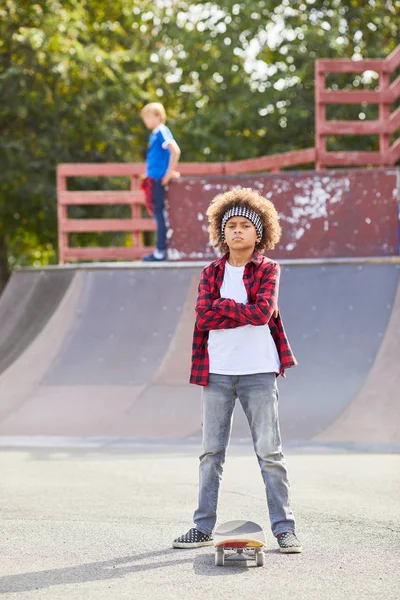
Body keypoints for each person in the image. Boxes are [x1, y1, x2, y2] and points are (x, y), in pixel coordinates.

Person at [172, 187, 302, 553]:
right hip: (216, 373)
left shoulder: (269, 270)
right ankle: (202, 527)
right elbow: (203, 314)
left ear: (258, 233)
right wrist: (236, 310)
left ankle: (284, 529)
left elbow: (262, 313)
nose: (237, 232)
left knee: (269, 452)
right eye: (231, 226)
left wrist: (223, 307)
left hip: (259, 372)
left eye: (246, 225)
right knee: (211, 453)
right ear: (221, 232)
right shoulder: (211, 271)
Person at [140, 102, 181, 261]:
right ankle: (160, 249)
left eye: (147, 117)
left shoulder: (161, 131)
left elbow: (175, 150)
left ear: (158, 116)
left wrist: (169, 173)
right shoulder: (155, 134)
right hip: (154, 178)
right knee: (157, 214)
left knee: (160, 215)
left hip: (159, 179)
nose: (146, 121)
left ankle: (160, 251)